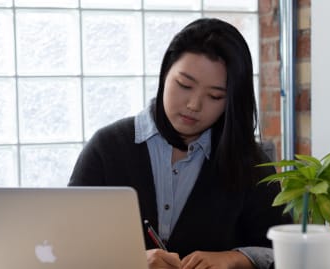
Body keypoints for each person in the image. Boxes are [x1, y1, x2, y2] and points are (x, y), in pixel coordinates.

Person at [69, 18, 291, 269]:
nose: (194, 105)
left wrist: (235, 258)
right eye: (184, 85)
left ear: (231, 102)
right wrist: (130, 262)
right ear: (165, 75)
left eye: (215, 96)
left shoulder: (250, 162)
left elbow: (285, 250)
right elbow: (65, 246)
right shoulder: (107, 148)